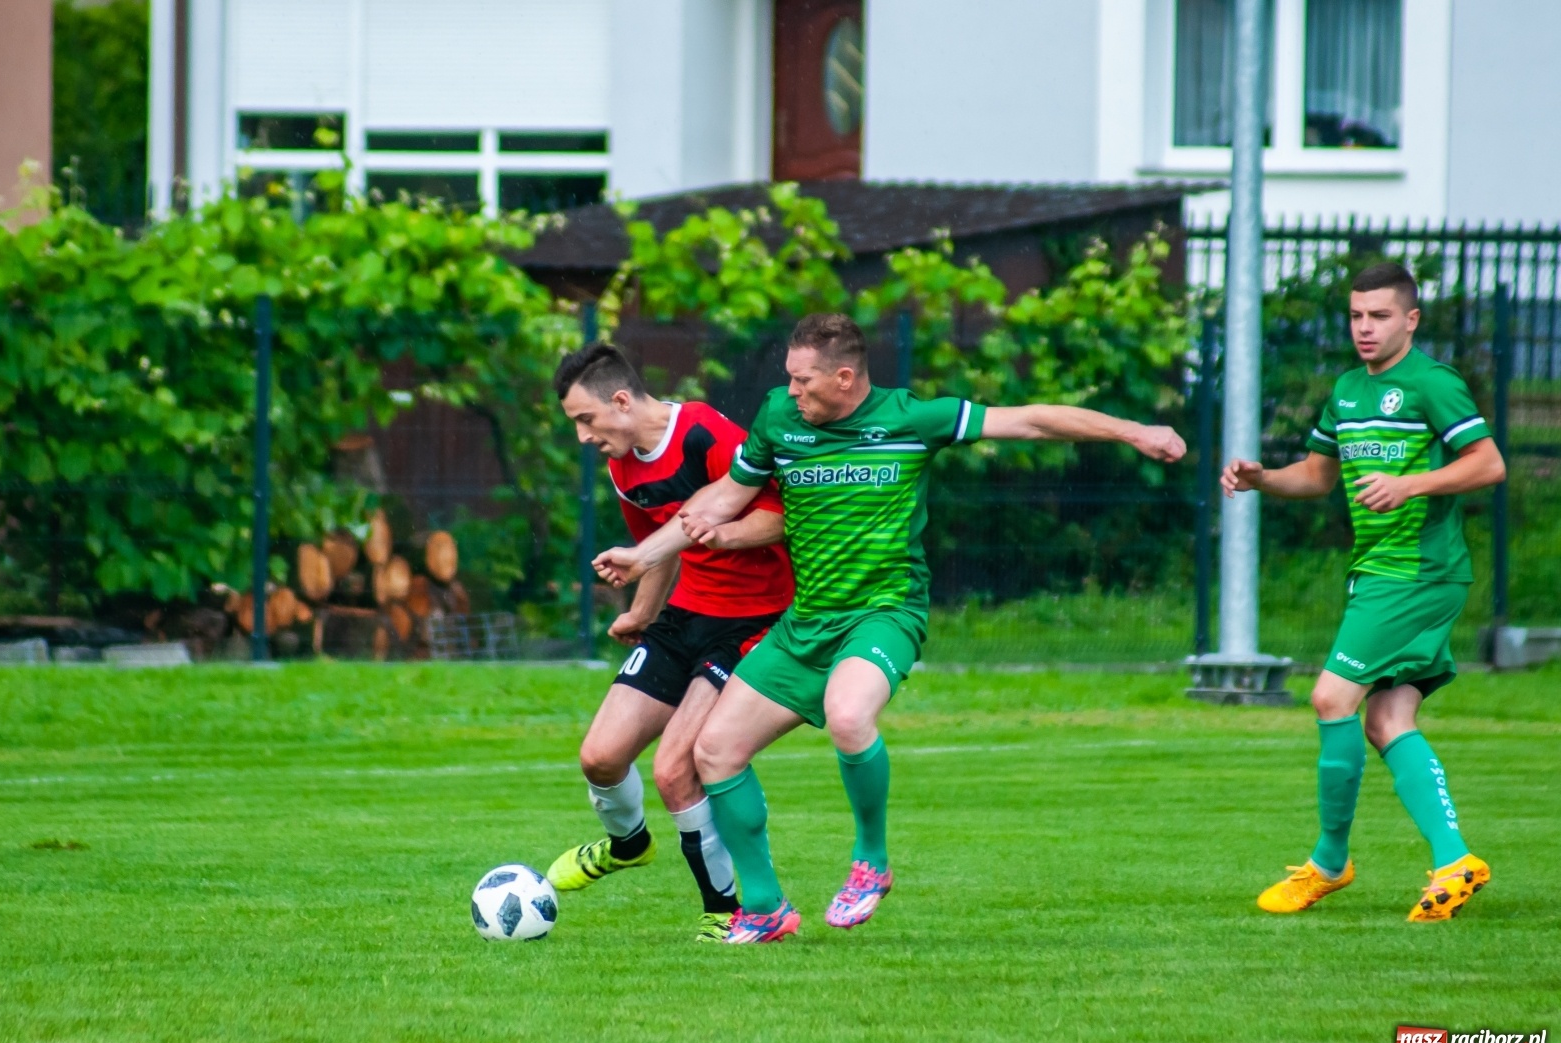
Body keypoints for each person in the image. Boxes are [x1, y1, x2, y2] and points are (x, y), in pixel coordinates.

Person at [594, 313, 1185, 943]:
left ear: (844, 377)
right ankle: (765, 910)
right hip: (805, 623)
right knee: (715, 751)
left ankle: (870, 863)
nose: (791, 392)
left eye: (803, 381)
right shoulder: (778, 421)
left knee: (849, 717)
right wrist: (645, 556)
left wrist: (1132, 431)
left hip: (884, 613)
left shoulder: (910, 419)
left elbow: (1030, 418)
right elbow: (724, 496)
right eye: (788, 380)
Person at [1221, 262, 1506, 922]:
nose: (1365, 328)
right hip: (1379, 572)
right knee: (1386, 720)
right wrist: (1263, 478)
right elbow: (1319, 476)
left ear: (1410, 319)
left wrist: (1410, 484)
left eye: (1379, 315)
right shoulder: (1348, 389)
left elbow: (1487, 463)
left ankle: (1328, 862)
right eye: (1356, 315)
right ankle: (1455, 857)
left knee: (1330, 696)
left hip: (1415, 573)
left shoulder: (1432, 383)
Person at [548, 342, 795, 942]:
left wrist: (722, 532)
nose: (583, 437)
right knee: (600, 757)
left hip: (752, 621)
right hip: (685, 615)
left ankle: (728, 911)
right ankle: (629, 845)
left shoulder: (705, 434)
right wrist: (640, 612)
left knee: (673, 769)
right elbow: (657, 548)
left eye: (586, 419)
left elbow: (781, 515)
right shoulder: (622, 464)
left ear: (623, 400)